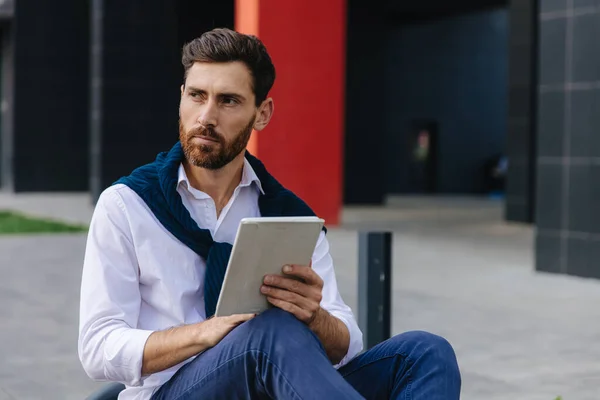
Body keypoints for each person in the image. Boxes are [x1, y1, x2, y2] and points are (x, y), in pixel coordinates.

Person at [78, 28, 461, 400]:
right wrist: (204, 334)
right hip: (172, 391)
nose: (206, 116)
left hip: (276, 385)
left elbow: (347, 345)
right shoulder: (127, 205)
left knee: (425, 353)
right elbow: (97, 346)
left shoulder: (286, 214)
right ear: (181, 97)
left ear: (262, 113)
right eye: (197, 95)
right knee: (268, 331)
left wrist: (314, 317)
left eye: (228, 101)